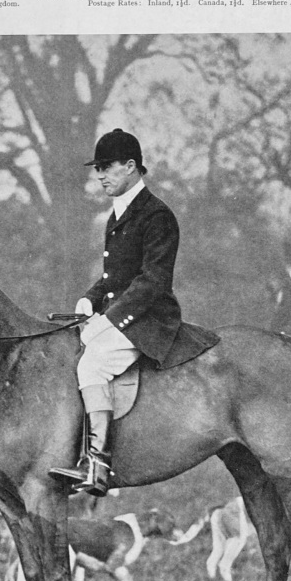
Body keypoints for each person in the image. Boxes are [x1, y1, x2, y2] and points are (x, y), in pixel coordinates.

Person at [49, 128, 183, 497]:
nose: (100, 175)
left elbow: (152, 280)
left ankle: (98, 464)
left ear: (130, 166)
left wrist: (108, 320)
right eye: (97, 168)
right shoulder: (116, 216)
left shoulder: (157, 215)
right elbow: (114, 278)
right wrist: (90, 300)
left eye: (106, 167)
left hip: (151, 319)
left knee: (92, 364)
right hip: (123, 314)